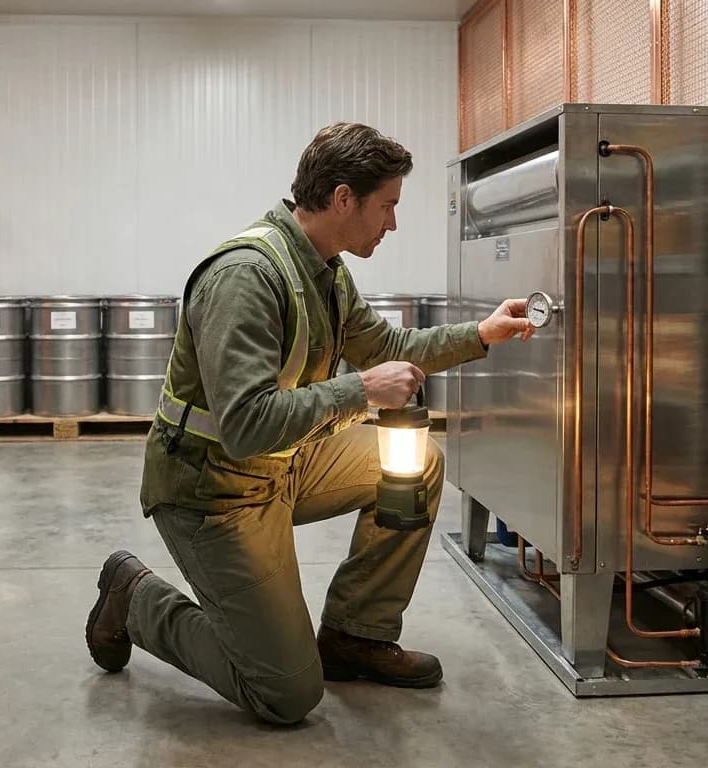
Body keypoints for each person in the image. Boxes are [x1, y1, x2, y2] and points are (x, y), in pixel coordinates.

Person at [85, 122, 536, 725]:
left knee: (417, 462)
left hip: (282, 465)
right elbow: (245, 424)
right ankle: (133, 597)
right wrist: (360, 390)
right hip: (213, 491)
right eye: (388, 206)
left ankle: (355, 635)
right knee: (286, 694)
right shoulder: (246, 277)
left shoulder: (325, 271)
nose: (393, 224)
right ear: (344, 198)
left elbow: (387, 344)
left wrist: (482, 333)